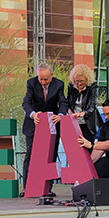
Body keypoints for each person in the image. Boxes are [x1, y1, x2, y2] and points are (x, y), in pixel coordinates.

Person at [21, 62, 67, 196]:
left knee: (51, 156)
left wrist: (61, 115)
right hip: (34, 124)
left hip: (52, 125)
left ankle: (48, 189)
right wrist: (33, 114)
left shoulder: (59, 84)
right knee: (30, 155)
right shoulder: (31, 83)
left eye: (46, 79)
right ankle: (27, 188)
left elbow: (63, 102)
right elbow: (26, 102)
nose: (42, 82)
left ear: (52, 76)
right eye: (40, 78)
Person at [77, 98, 109, 179]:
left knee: (100, 169)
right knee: (94, 168)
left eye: (108, 114)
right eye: (104, 115)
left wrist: (91, 145)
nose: (106, 117)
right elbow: (99, 148)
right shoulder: (106, 126)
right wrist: (88, 164)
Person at [66, 64, 99, 141]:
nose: (79, 83)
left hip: (88, 122)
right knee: (75, 145)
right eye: (77, 81)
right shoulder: (71, 86)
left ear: (87, 80)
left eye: (82, 81)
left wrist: (83, 113)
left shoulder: (93, 86)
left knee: (88, 146)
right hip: (75, 121)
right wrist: (69, 111)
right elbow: (67, 101)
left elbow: (92, 104)